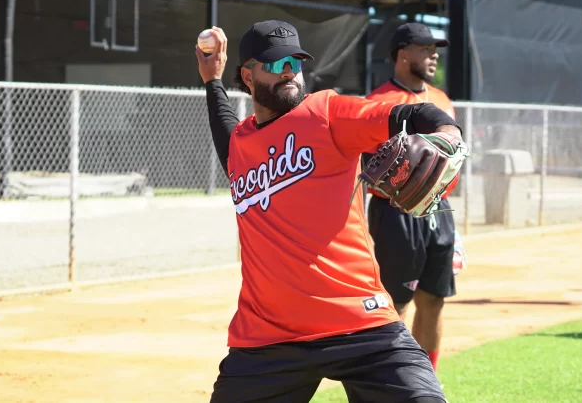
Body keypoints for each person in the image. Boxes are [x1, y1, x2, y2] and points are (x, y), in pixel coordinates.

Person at [196, 20, 464, 403]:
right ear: (248, 75)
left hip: (361, 322)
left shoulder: (328, 113)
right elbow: (224, 127)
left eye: (295, 62)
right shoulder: (241, 145)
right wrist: (212, 81)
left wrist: (448, 133)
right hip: (268, 336)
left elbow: (415, 113)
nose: (288, 71)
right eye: (275, 64)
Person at [363, 22, 465, 374]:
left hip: (440, 212)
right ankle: (394, 384)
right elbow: (363, 164)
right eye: (425, 48)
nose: (434, 54)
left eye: (435, 48)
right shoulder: (377, 103)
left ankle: (426, 381)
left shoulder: (442, 100)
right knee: (396, 303)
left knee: (434, 300)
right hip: (395, 213)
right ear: (403, 54)